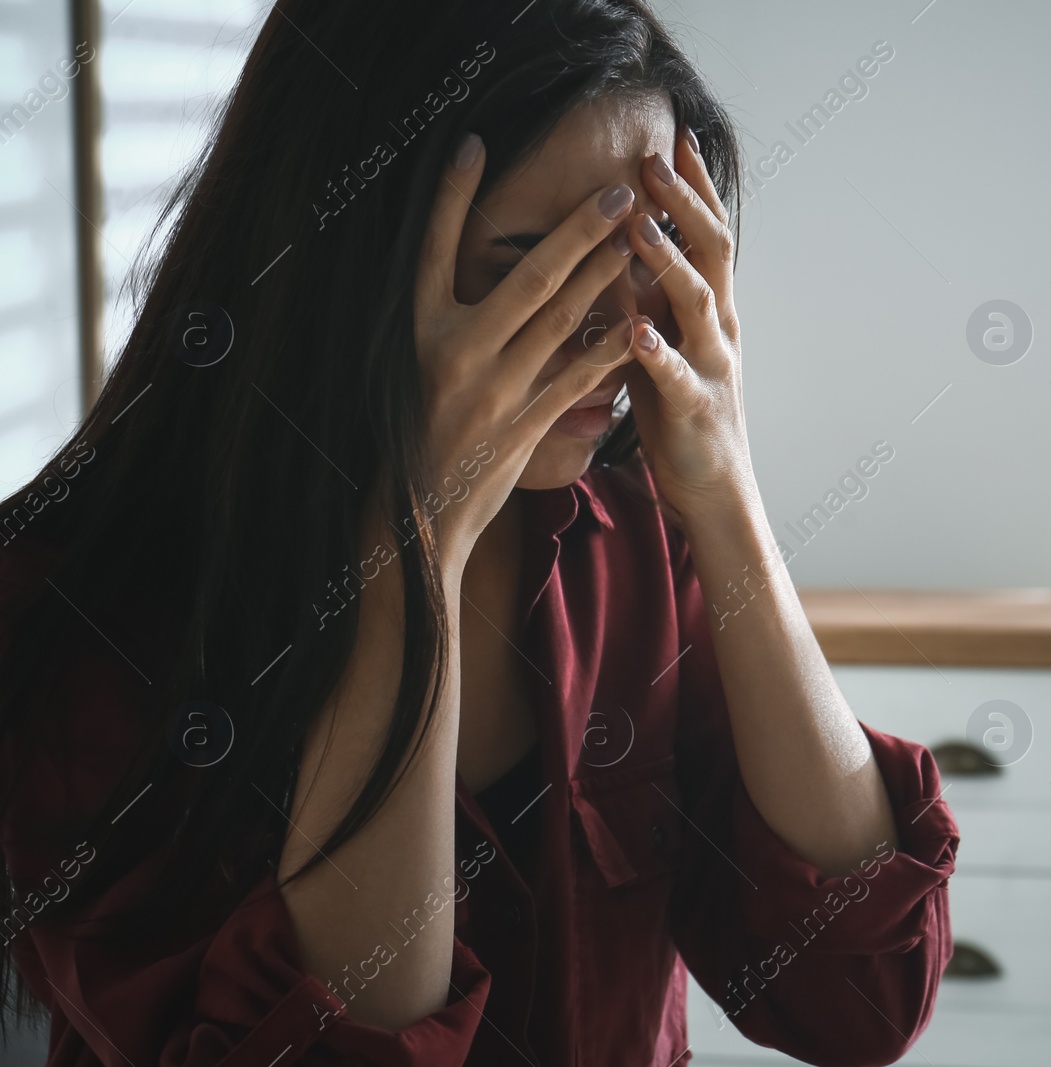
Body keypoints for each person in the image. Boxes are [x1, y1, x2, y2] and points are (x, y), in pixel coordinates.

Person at [0, 1, 957, 1064]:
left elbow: (861, 995)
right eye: (526, 272)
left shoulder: (637, 534)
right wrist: (412, 545)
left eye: (644, 247)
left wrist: (727, 488)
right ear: (343, 249)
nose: (608, 332)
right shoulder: (77, 605)